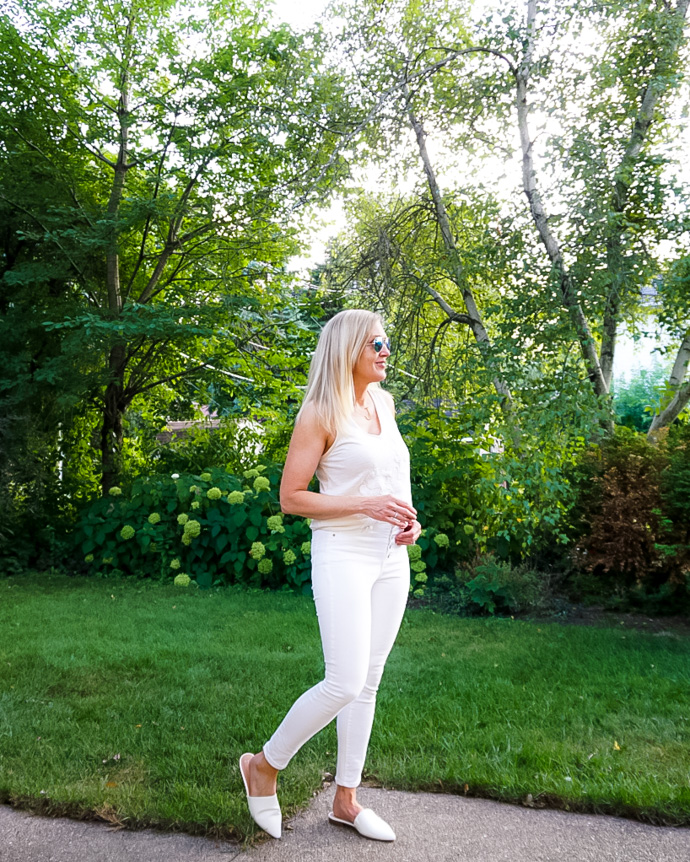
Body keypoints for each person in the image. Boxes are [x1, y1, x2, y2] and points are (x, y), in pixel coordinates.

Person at [239, 309, 421, 842]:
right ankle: (263, 767)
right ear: (348, 351)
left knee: (368, 683)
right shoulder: (320, 411)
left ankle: (346, 799)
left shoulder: (383, 403)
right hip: (343, 552)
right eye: (376, 344)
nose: (387, 351)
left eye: (387, 343)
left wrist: (409, 522)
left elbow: (392, 475)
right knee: (343, 680)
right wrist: (366, 505)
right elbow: (292, 497)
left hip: (392, 558)